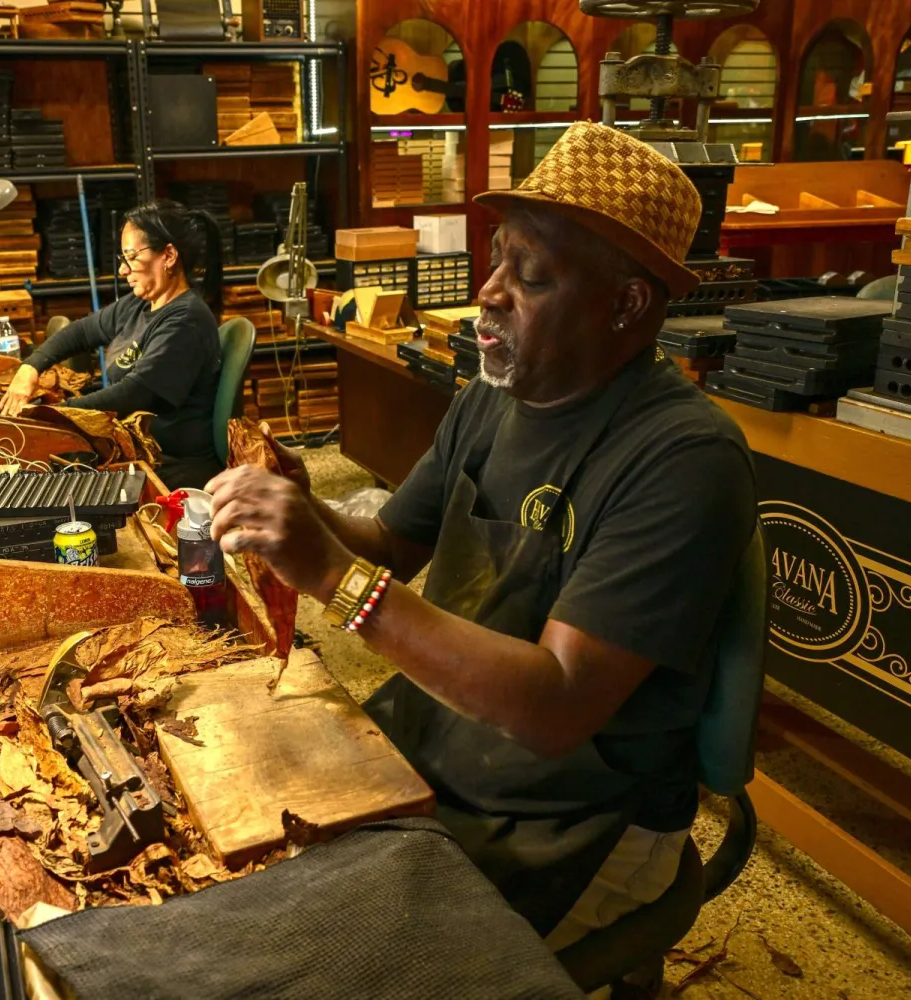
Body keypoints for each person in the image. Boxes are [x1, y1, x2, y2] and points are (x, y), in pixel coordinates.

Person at [205, 124, 758, 962]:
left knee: (327, 964)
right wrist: (303, 508)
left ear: (626, 304)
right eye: (495, 260)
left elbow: (554, 707)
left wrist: (332, 578)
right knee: (231, 876)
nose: (488, 294)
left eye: (529, 275)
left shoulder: (682, 460)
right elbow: (391, 541)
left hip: (574, 816)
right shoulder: (490, 399)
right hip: (446, 745)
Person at [0, 200, 225, 489]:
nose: (122, 270)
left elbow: (133, 394)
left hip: (167, 467)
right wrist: (30, 367)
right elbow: (81, 332)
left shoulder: (185, 321)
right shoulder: (137, 304)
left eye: (131, 256)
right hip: (132, 449)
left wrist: (54, 415)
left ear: (168, 255)